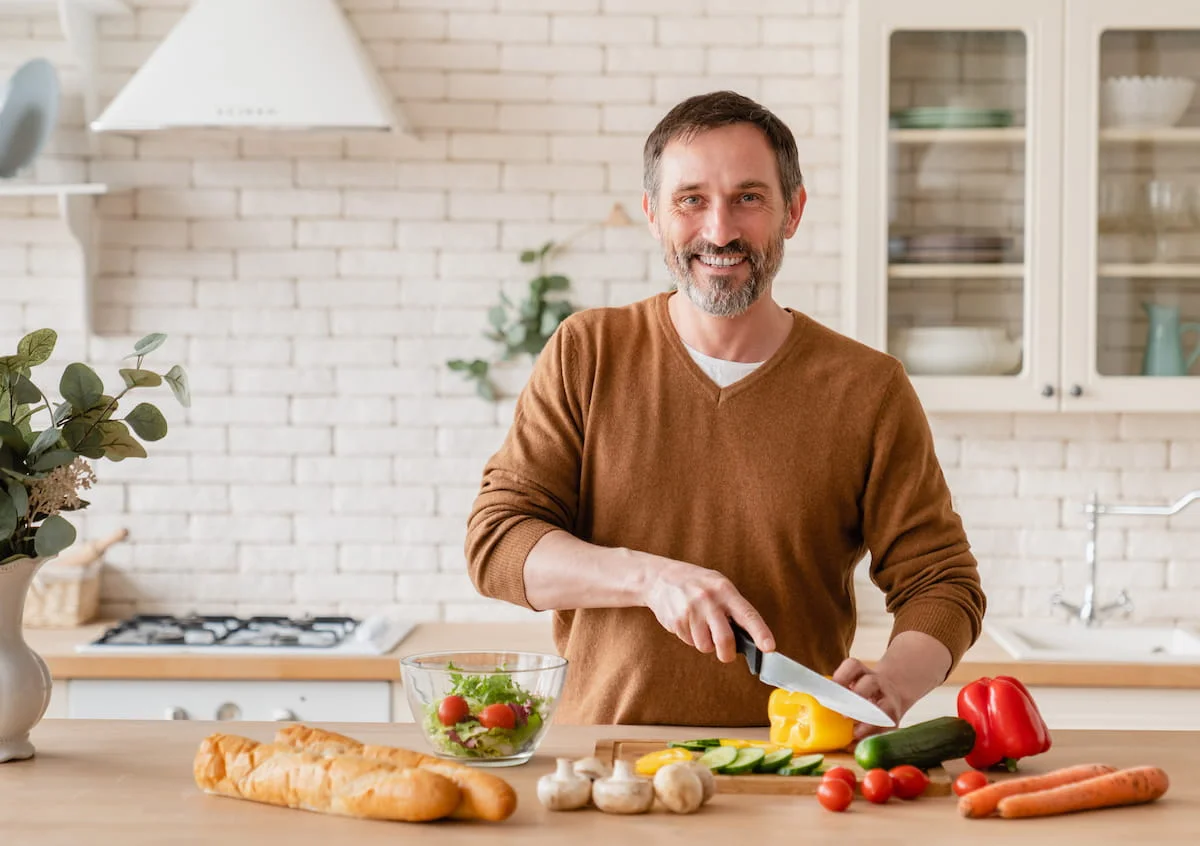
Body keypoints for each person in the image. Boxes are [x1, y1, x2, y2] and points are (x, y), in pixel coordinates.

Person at [464, 90, 986, 731]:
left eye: (748, 197)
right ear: (655, 214)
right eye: (692, 200)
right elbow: (498, 544)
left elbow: (943, 581)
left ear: (792, 211)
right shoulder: (587, 352)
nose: (719, 231)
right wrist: (650, 580)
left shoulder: (868, 389)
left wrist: (895, 680)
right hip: (605, 762)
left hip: (792, 770)